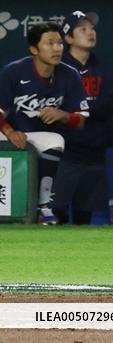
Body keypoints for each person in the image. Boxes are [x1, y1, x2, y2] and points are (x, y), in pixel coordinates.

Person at [0, 22, 89, 225]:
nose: (57, 48)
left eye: (59, 43)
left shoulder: (69, 75)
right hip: (5, 132)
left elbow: (81, 121)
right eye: (49, 43)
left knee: (55, 140)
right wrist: (9, 131)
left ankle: (44, 206)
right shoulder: (13, 72)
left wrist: (63, 115)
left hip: (33, 136)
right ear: (34, 49)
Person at [53, 10, 113, 225]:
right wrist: (85, 109)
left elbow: (109, 104)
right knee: (56, 208)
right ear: (68, 38)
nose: (90, 33)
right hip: (66, 150)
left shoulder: (101, 65)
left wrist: (80, 109)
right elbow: (57, 105)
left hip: (94, 148)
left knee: (85, 212)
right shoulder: (58, 67)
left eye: (91, 28)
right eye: (82, 29)